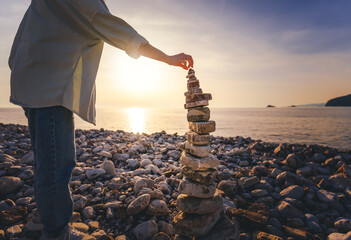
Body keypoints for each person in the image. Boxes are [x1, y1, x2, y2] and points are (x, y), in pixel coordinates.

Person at [9, 0, 193, 239]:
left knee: (46, 159)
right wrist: (167, 58)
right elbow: (121, 32)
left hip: (31, 79)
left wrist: (19, 69)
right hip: (50, 87)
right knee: (57, 165)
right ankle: (55, 232)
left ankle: (40, 221)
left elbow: (22, 36)